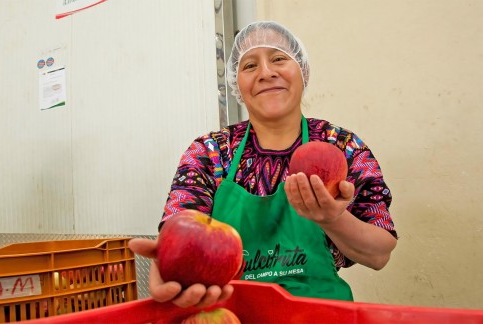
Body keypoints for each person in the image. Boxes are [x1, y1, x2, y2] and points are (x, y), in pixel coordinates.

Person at [128, 21, 397, 308]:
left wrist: (331, 218)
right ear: (237, 84)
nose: (266, 73)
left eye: (279, 58)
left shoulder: (341, 145)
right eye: (249, 66)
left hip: (321, 314)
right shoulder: (210, 153)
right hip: (231, 313)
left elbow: (378, 254)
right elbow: (179, 231)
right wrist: (172, 263)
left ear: (302, 71)